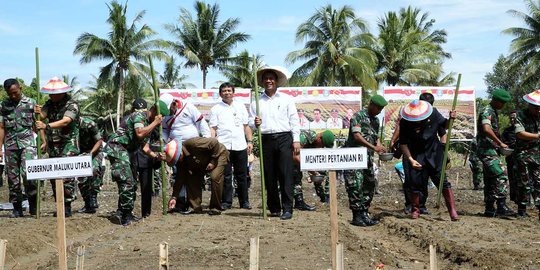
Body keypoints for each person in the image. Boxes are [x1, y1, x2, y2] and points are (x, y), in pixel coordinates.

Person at [104, 99, 167, 226]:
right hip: (118, 148)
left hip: (127, 151)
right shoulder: (140, 116)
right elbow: (139, 133)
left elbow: (145, 148)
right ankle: (126, 214)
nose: (161, 119)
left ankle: (124, 211)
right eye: (160, 116)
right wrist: (155, 123)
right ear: (154, 111)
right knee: (127, 181)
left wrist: (156, 156)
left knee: (132, 183)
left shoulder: (148, 123)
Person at [251, 65, 299, 220]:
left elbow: (294, 120)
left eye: (271, 78)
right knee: (269, 175)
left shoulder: (286, 99)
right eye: (266, 79)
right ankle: (274, 207)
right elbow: (250, 124)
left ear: (277, 81)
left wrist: (296, 140)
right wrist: (255, 122)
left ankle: (287, 208)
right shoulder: (256, 102)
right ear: (262, 82)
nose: (268, 81)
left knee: (286, 174)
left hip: (284, 138)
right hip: (266, 140)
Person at [399, 99, 459, 221]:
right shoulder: (405, 122)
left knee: (442, 181)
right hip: (416, 155)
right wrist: (410, 159)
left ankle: (452, 211)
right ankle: (416, 209)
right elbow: (403, 144)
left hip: (434, 153)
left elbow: (445, 125)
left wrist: (451, 119)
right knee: (415, 183)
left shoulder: (434, 113)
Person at [390, 92, 445, 214]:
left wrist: (442, 151)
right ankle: (410, 204)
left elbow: (443, 132)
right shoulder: (410, 113)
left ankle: (421, 205)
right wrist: (393, 140)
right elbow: (401, 128)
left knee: (423, 180)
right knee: (410, 179)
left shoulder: (434, 114)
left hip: (428, 153)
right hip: (409, 151)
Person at [35, 77, 80, 217]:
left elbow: (66, 121)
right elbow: (41, 116)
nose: (51, 96)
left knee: (65, 175)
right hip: (53, 144)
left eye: (54, 94)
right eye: (50, 94)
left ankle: (66, 205)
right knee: (54, 175)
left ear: (62, 93)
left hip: (68, 144)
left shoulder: (72, 104)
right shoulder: (49, 104)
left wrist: (46, 125)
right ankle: (59, 204)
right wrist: (37, 113)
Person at [0, 79, 43, 217]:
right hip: (10, 145)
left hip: (28, 144)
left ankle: (33, 204)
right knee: (13, 178)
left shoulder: (31, 103)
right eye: (10, 94)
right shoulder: (3, 105)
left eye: (15, 93)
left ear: (20, 88)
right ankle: (17, 207)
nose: (13, 96)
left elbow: (39, 123)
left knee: (28, 173)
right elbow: (1, 127)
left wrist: (43, 140)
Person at [161, 94, 211, 212]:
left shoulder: (189, 107)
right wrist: (164, 144)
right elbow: (164, 130)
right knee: (178, 174)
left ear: (174, 103)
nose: (169, 111)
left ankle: (194, 203)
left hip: (193, 146)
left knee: (193, 174)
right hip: (176, 148)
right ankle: (180, 201)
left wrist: (206, 139)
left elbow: (201, 123)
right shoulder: (165, 115)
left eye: (170, 108)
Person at [344, 95, 387, 226]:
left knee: (369, 185)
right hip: (354, 158)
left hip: (367, 158)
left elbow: (375, 136)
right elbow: (357, 136)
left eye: (381, 109)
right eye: (378, 108)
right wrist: (374, 147)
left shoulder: (375, 121)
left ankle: (364, 213)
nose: (379, 111)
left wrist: (378, 145)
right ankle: (356, 216)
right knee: (355, 186)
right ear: (371, 105)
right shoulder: (358, 116)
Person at [209, 82, 253, 210]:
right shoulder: (215, 109)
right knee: (226, 175)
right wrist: (212, 144)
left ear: (233, 92)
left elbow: (246, 126)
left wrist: (249, 141)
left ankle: (244, 202)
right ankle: (226, 202)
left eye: (229, 90)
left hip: (240, 145)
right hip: (224, 147)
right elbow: (213, 128)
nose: (227, 93)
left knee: (242, 175)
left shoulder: (240, 107)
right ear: (220, 94)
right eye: (224, 91)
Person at [476, 88, 515, 217]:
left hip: (490, 150)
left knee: (490, 179)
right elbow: (486, 129)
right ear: (497, 101)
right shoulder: (487, 111)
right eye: (502, 103)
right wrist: (500, 143)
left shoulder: (493, 111)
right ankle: (501, 206)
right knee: (501, 175)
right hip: (487, 150)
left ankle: (489, 208)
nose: (503, 106)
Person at [167, 137, 228, 215]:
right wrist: (174, 197)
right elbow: (179, 178)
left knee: (215, 176)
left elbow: (214, 142)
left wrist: (213, 160)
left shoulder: (193, 143)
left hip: (218, 154)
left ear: (179, 151)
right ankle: (195, 207)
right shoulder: (180, 161)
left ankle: (215, 207)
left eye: (177, 157)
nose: (178, 160)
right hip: (200, 162)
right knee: (191, 177)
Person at [292, 129, 335, 210]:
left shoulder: (314, 143)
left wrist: (314, 173)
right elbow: (294, 156)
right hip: (284, 157)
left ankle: (299, 202)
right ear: (320, 138)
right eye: (322, 145)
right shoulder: (304, 137)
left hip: (294, 161)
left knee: (297, 177)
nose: (322, 147)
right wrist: (312, 171)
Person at [514, 90, 540, 218]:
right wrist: (537, 136)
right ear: (529, 105)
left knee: (538, 182)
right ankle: (522, 209)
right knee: (523, 183)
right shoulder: (520, 116)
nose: (538, 111)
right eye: (536, 108)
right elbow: (520, 133)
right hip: (523, 155)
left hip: (537, 156)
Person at [77, 116, 104, 214]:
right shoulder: (68, 125)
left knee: (94, 171)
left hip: (95, 151)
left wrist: (90, 153)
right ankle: (87, 203)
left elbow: (99, 140)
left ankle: (93, 197)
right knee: (81, 177)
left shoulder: (89, 124)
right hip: (80, 152)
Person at [501, 110, 517, 202]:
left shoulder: (526, 130)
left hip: (524, 158)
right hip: (511, 157)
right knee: (512, 178)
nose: (512, 119)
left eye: (514, 117)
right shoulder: (507, 131)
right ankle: (513, 198)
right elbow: (503, 143)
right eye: (510, 118)